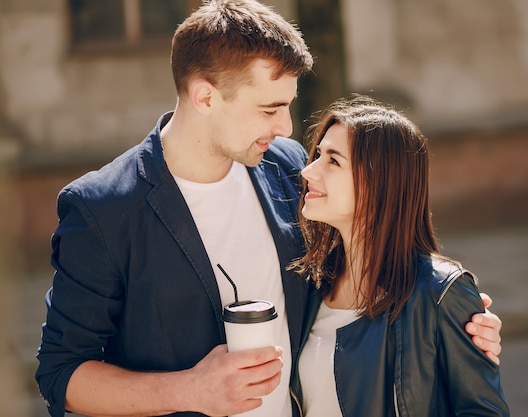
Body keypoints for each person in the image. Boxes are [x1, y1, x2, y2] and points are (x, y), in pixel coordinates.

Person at [35, 1, 503, 417]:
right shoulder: (102, 208)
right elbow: (62, 376)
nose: (285, 127)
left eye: (288, 107)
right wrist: (190, 390)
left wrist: (447, 320)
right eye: (268, 108)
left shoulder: (286, 167)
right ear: (205, 97)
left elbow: (353, 268)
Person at [289, 95, 510, 416]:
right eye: (318, 155)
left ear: (380, 183)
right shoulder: (309, 285)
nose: (309, 171)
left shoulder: (440, 294)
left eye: (333, 161)